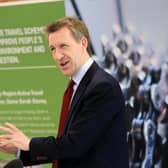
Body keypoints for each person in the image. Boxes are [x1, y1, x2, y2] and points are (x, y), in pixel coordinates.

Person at [0, 16, 129, 168]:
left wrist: (29, 143)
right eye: (53, 49)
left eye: (63, 46)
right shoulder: (76, 85)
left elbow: (75, 145)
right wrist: (20, 151)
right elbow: (66, 149)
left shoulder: (102, 86)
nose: (57, 56)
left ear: (83, 43)